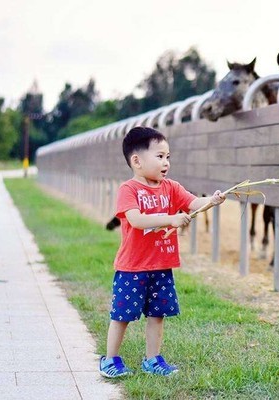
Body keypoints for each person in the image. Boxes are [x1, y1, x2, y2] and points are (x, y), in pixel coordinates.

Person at [99, 126, 226, 378]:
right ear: (137, 161)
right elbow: (135, 220)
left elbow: (192, 203)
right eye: (159, 156)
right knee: (122, 314)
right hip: (132, 267)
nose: (166, 162)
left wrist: (211, 201)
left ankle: (152, 359)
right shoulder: (129, 190)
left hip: (160, 265)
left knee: (158, 314)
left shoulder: (171, 187)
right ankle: (110, 359)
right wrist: (171, 219)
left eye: (168, 157)